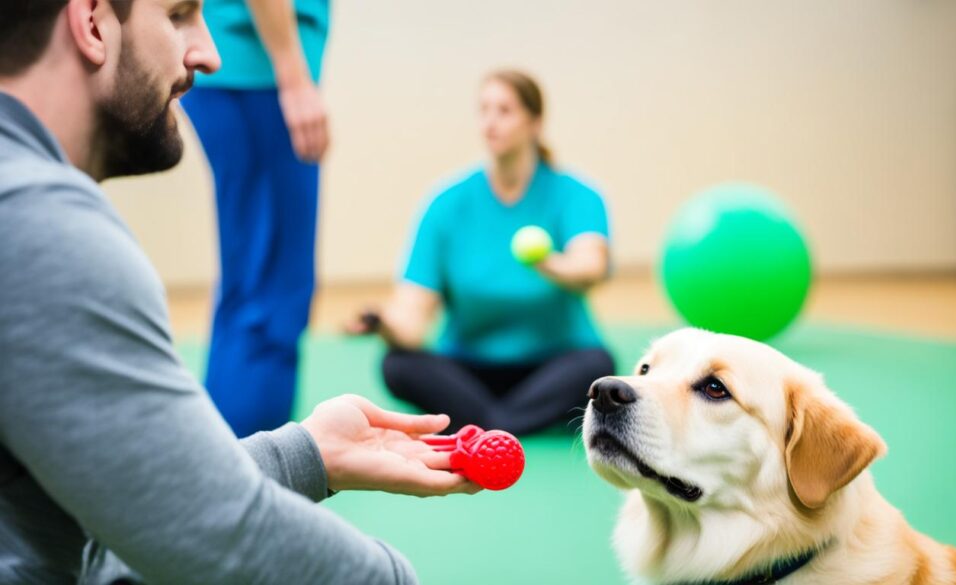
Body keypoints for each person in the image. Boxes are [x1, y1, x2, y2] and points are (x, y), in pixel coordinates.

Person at [0, 2, 476, 583]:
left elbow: (103, 528)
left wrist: (305, 455)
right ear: (94, 22)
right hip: (267, 85)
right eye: (178, 14)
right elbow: (211, 533)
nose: (207, 52)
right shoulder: (40, 229)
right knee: (271, 301)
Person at [346, 70, 616, 436]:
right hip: (468, 370)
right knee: (397, 364)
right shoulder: (446, 203)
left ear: (535, 122)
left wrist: (546, 262)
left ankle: (487, 424)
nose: (490, 122)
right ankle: (505, 422)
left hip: (555, 364)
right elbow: (412, 320)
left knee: (597, 365)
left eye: (504, 111)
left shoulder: (577, 194)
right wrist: (382, 323)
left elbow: (590, 266)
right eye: (484, 110)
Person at [180, 0, 331, 437]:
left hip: (248, 71)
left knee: (253, 280)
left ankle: (225, 455)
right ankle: (246, 467)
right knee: (274, 289)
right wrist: (294, 78)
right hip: (257, 74)